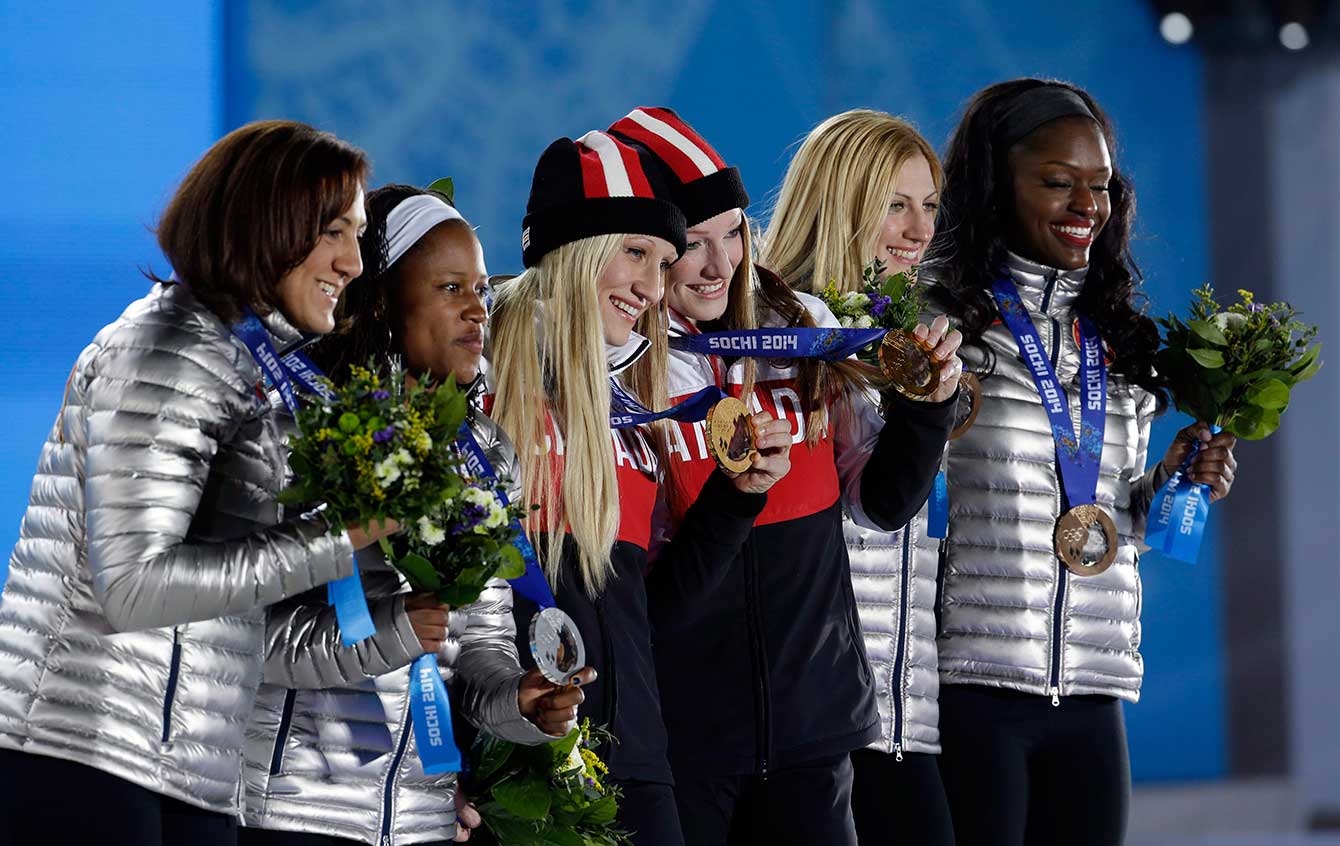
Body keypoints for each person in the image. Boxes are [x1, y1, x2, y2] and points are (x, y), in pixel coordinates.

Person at [0, 120, 393, 845]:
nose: (353, 262)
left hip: (185, 762)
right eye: (334, 231)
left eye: (358, 235)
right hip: (87, 746)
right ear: (268, 223)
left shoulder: (259, 368)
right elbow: (136, 586)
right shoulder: (171, 347)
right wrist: (343, 535)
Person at [608, 106, 959, 845]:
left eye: (731, 232)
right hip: (686, 738)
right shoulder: (619, 367)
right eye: (688, 245)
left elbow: (881, 503)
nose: (716, 264)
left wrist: (929, 407)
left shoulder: (801, 322)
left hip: (812, 731)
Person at [922, 78, 1238, 846]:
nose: (1083, 207)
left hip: (1095, 692)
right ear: (996, 182)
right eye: (1057, 184)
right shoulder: (942, 322)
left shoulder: (1120, 342)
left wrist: (1176, 485)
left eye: (1098, 187)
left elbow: (1120, 518)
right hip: (969, 687)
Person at [240, 184, 589, 846]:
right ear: (381, 301)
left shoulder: (485, 453)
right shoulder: (299, 430)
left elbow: (478, 647)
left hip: (422, 820)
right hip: (291, 811)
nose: (478, 311)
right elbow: (249, 641)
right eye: (451, 288)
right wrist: (392, 631)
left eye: (482, 291)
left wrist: (520, 701)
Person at [488, 130, 792, 846]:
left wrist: (735, 498)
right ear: (572, 251)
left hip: (635, 765)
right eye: (635, 253)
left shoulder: (629, 409)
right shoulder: (482, 385)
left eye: (662, 261)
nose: (654, 288)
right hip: (518, 758)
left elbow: (649, 616)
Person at [761, 107, 955, 845]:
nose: (919, 230)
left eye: (929, 206)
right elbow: (878, 503)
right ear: (840, 202)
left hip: (905, 713)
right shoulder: (783, 337)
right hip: (818, 720)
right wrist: (925, 410)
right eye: (895, 205)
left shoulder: (903, 338)